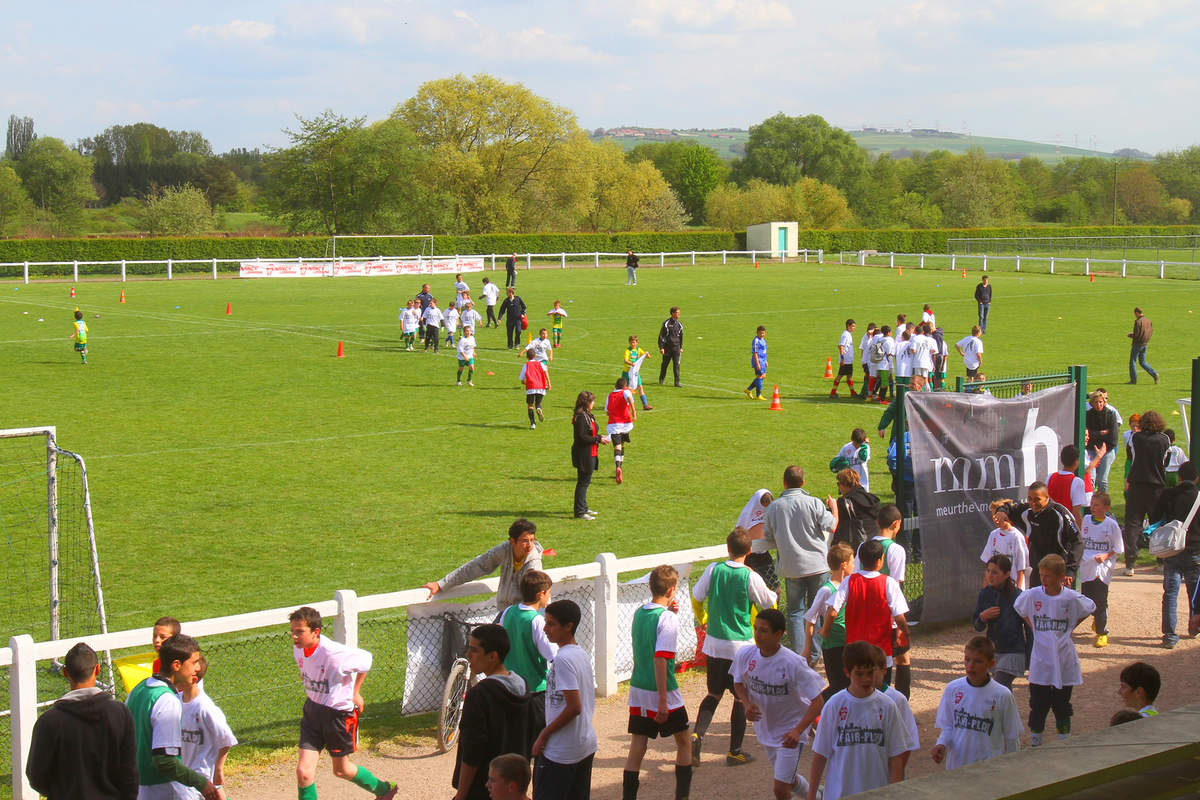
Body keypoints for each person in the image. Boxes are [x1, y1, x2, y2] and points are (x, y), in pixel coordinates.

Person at [690, 528, 778, 768]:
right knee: (741, 698)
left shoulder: (713, 570)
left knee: (713, 694)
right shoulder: (751, 577)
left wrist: (704, 619)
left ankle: (697, 734)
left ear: (727, 549)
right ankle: (734, 751)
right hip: (740, 646)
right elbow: (769, 603)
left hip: (715, 643)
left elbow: (696, 596)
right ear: (749, 551)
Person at [288, 608, 398, 800]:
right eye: (292, 631)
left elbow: (366, 660)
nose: (294, 636)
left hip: (337, 716)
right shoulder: (298, 648)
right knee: (304, 773)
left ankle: (383, 790)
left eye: (299, 631)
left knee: (341, 770)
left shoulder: (334, 654)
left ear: (316, 632)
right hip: (312, 712)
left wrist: (355, 692)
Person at [732, 608, 826, 800]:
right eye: (755, 628)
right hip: (766, 730)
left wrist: (798, 731)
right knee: (788, 780)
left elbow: (818, 702)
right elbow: (738, 682)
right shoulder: (746, 655)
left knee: (780, 788)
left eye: (763, 630)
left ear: (778, 634)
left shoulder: (793, 663)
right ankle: (818, 796)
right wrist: (747, 704)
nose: (757, 635)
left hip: (790, 732)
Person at [26, 641, 137, 800]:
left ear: (65, 673)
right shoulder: (120, 713)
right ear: (97, 669)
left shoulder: (49, 722)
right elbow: (129, 773)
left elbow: (36, 777)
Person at [623, 565, 692, 800]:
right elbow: (661, 659)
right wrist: (663, 701)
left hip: (638, 688)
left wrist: (669, 612)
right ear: (673, 589)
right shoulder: (667, 619)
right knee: (684, 741)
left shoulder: (640, 612)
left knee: (637, 747)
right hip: (662, 690)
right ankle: (682, 796)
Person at [807, 640, 908, 800]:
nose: (866, 679)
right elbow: (820, 754)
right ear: (847, 673)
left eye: (870, 672)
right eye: (859, 674)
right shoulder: (834, 705)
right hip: (840, 793)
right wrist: (812, 795)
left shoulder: (887, 705)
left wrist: (894, 793)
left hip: (877, 793)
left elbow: (896, 756)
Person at [1013, 555, 1095, 746]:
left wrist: (1070, 626)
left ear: (1060, 576)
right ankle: (1036, 741)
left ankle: (1064, 741)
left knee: (1062, 704)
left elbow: (1090, 607)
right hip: (1040, 658)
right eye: (1041, 575)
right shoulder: (1033, 595)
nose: (1043, 580)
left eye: (1048, 576)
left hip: (1063, 656)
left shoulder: (1070, 597)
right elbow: (1020, 608)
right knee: (1038, 704)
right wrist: (1032, 625)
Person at [127, 634, 222, 800]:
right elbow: (165, 762)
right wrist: (202, 783)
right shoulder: (167, 701)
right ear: (177, 665)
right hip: (163, 791)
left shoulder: (138, 690)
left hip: (136, 789)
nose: (198, 668)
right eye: (194, 662)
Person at [452, 624, 534, 800]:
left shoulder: (479, 695)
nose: (468, 655)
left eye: (474, 650)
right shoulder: (523, 687)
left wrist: (461, 793)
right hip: (513, 787)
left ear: (492, 656)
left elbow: (473, 749)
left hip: (486, 787)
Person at [763, 465, 838, 652]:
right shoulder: (814, 503)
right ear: (802, 482)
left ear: (784, 482)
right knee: (818, 609)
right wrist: (835, 508)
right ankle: (816, 652)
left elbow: (768, 535)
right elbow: (832, 526)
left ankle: (799, 654)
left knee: (796, 612)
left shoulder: (774, 507)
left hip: (792, 568)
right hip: (817, 566)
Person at [532, 599, 597, 800]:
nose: (545, 628)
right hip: (582, 745)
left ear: (568, 626)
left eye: (551, 624)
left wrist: (544, 734)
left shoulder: (563, 659)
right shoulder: (580, 654)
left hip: (562, 750)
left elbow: (574, 707)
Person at [930, 636, 1022, 770]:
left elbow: (1012, 736)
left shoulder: (1002, 695)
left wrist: (1013, 768)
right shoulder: (953, 689)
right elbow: (948, 726)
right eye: (967, 659)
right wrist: (941, 744)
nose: (970, 666)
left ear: (990, 664)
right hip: (957, 767)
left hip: (989, 770)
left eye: (977, 661)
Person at [825, 539, 910, 682]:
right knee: (882, 688)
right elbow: (899, 616)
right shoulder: (889, 583)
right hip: (881, 650)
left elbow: (833, 610)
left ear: (861, 560)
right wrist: (906, 632)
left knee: (857, 686)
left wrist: (825, 630)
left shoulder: (849, 581)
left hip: (854, 649)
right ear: (880, 560)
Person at [854, 504, 912, 697]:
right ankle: (901, 702)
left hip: (866, 616)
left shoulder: (863, 546)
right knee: (902, 659)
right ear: (896, 524)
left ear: (877, 523)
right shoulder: (896, 550)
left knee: (872, 660)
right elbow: (896, 586)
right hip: (889, 617)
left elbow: (856, 575)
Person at [424, 519, 544, 610]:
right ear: (512, 541)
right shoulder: (504, 550)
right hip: (504, 612)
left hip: (523, 614)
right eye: (525, 540)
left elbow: (536, 597)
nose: (530, 545)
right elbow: (476, 566)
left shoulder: (534, 564)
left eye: (532, 540)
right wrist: (441, 584)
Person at [1151, 460, 1200, 649]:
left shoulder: (1168, 495)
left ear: (1179, 477)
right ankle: (1194, 626)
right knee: (1194, 593)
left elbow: (1155, 518)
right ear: (1196, 478)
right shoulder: (1198, 497)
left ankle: (1170, 635)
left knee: (1170, 593)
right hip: (1195, 549)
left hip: (1172, 549)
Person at [499, 570, 557, 732]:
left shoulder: (508, 612)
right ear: (541, 594)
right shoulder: (537, 621)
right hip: (534, 691)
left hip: (510, 688)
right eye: (549, 593)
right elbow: (552, 655)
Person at [180, 655, 237, 800]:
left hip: (202, 775)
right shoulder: (176, 701)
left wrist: (218, 769)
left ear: (193, 678)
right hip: (184, 775)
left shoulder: (205, 708)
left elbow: (226, 739)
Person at [972, 554, 1031, 690]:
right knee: (999, 692)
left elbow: (1029, 628)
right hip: (993, 651)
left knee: (999, 685)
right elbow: (977, 625)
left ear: (1006, 574)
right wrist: (982, 617)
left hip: (1013, 651)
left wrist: (1030, 656)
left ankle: (1003, 710)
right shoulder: (984, 594)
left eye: (995, 572)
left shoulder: (1017, 596)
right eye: (988, 571)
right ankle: (1007, 711)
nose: (990, 575)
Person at [1007, 482, 1083, 585]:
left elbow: (1078, 540)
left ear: (1046, 497)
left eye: (1037, 499)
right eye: (1030, 499)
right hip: (1037, 571)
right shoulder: (1028, 510)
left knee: (1056, 600)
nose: (1033, 503)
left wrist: (1070, 570)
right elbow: (1008, 508)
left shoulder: (1059, 513)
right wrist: (1001, 511)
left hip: (1056, 571)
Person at [802, 543, 854, 692]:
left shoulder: (850, 585)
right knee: (838, 686)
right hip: (833, 646)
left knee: (851, 685)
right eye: (852, 562)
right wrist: (807, 648)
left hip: (848, 643)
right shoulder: (826, 590)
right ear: (844, 565)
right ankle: (817, 708)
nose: (854, 566)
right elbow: (810, 618)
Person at [1125, 409, 1171, 576]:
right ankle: (1161, 561)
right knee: (1158, 523)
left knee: (1133, 524)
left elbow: (1130, 456)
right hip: (1157, 487)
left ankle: (1130, 564)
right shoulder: (1164, 439)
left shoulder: (1135, 438)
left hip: (1136, 485)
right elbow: (1166, 461)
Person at [1078, 492, 1123, 648]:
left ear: (1106, 507)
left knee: (1100, 599)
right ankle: (1096, 618)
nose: (1093, 507)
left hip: (1102, 568)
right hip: (1087, 566)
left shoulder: (1111, 525)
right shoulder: (1085, 520)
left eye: (1097, 505)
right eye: (1092, 504)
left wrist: (1106, 555)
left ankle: (1102, 632)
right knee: (1086, 597)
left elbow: (1118, 547)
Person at [571, 392, 609, 520]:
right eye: (592, 401)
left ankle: (584, 507)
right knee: (583, 482)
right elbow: (581, 437)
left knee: (585, 481)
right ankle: (580, 512)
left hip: (590, 452)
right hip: (584, 454)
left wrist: (599, 437)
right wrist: (598, 439)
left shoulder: (586, 415)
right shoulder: (581, 417)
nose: (594, 403)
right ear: (586, 403)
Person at [981, 502, 1030, 589]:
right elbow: (988, 565)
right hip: (996, 588)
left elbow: (1021, 569)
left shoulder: (1016, 536)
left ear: (1006, 516)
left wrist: (1018, 592)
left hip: (1012, 589)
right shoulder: (993, 535)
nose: (996, 520)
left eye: (998, 516)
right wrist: (985, 589)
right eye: (994, 517)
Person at [738, 488, 778, 590]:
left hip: (764, 555)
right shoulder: (747, 514)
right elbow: (739, 532)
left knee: (775, 590)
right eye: (764, 504)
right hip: (750, 556)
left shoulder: (771, 511)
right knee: (750, 590)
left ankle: (772, 606)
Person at [832, 468, 880, 550]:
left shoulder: (844, 503)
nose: (839, 487)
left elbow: (833, 521)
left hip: (856, 546)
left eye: (838, 484)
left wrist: (832, 506)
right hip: (874, 543)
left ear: (844, 484)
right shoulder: (872, 499)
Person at [1047, 444, 1087, 531]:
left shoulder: (1050, 477)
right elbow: (1076, 511)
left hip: (1049, 525)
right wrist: (1080, 534)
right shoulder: (1077, 482)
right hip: (1066, 528)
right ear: (1076, 462)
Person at [1086, 391, 1120, 492]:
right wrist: (1101, 433)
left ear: (1104, 402)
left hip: (1107, 451)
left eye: (1100, 402)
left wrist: (1103, 449)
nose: (1098, 404)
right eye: (1096, 402)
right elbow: (1087, 434)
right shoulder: (1088, 415)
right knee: (1091, 479)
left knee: (1102, 481)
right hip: (1092, 450)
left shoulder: (1110, 415)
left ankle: (1103, 503)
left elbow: (1113, 437)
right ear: (1092, 403)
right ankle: (1090, 504)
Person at [605, 377, 637, 484]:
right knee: (622, 445)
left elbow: (607, 411)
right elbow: (630, 400)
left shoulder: (609, 395)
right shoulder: (626, 392)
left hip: (614, 425)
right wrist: (634, 412)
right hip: (626, 423)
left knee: (617, 446)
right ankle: (620, 468)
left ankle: (618, 467)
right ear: (624, 385)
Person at [1127, 306, 1158, 384]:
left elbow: (1137, 334)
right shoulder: (1148, 320)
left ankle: (1133, 380)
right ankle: (1154, 374)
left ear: (1137, 313)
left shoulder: (1138, 322)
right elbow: (1151, 331)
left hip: (1137, 344)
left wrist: (1131, 335)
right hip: (1145, 343)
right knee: (1143, 362)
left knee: (1133, 362)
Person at [520, 350, 550, 430]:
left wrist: (527, 383)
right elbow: (546, 372)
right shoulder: (540, 364)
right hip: (540, 387)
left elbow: (522, 380)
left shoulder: (526, 365)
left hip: (530, 388)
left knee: (530, 406)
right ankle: (538, 408)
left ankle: (533, 424)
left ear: (527, 357)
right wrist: (549, 383)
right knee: (538, 403)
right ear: (535, 356)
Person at [621, 335, 653, 410]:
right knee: (626, 389)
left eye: (634, 342)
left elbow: (648, 357)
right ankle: (623, 404)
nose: (632, 344)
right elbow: (625, 360)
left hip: (635, 373)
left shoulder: (638, 350)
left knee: (640, 387)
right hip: (627, 373)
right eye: (631, 343)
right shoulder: (627, 351)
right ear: (629, 343)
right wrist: (631, 364)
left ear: (637, 343)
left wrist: (647, 354)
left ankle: (645, 405)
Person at [657, 306, 683, 387]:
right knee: (665, 364)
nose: (679, 314)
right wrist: (661, 347)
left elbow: (681, 337)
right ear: (672, 313)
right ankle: (661, 379)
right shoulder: (666, 323)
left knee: (677, 365)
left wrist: (680, 347)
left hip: (676, 348)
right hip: (667, 348)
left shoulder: (680, 324)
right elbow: (661, 336)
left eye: (679, 312)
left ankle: (677, 382)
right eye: (677, 312)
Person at [831, 318, 857, 398]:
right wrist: (842, 358)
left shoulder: (848, 334)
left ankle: (852, 392)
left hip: (848, 360)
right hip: (845, 360)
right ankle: (833, 392)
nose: (854, 328)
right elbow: (841, 346)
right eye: (852, 326)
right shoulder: (845, 335)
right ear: (848, 326)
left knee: (849, 376)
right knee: (840, 375)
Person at [746, 325, 768, 400]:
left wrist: (766, 361)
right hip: (757, 361)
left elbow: (764, 351)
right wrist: (757, 363)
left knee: (763, 376)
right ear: (757, 333)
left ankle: (748, 389)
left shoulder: (763, 340)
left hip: (762, 361)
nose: (762, 334)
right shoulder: (756, 340)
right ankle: (758, 395)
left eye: (763, 333)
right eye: (760, 333)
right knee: (759, 376)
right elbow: (754, 353)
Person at [858, 322, 877, 400]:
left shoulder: (868, 337)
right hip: (867, 361)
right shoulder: (867, 337)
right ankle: (865, 393)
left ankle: (863, 393)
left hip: (865, 361)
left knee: (867, 377)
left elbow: (862, 349)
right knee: (868, 378)